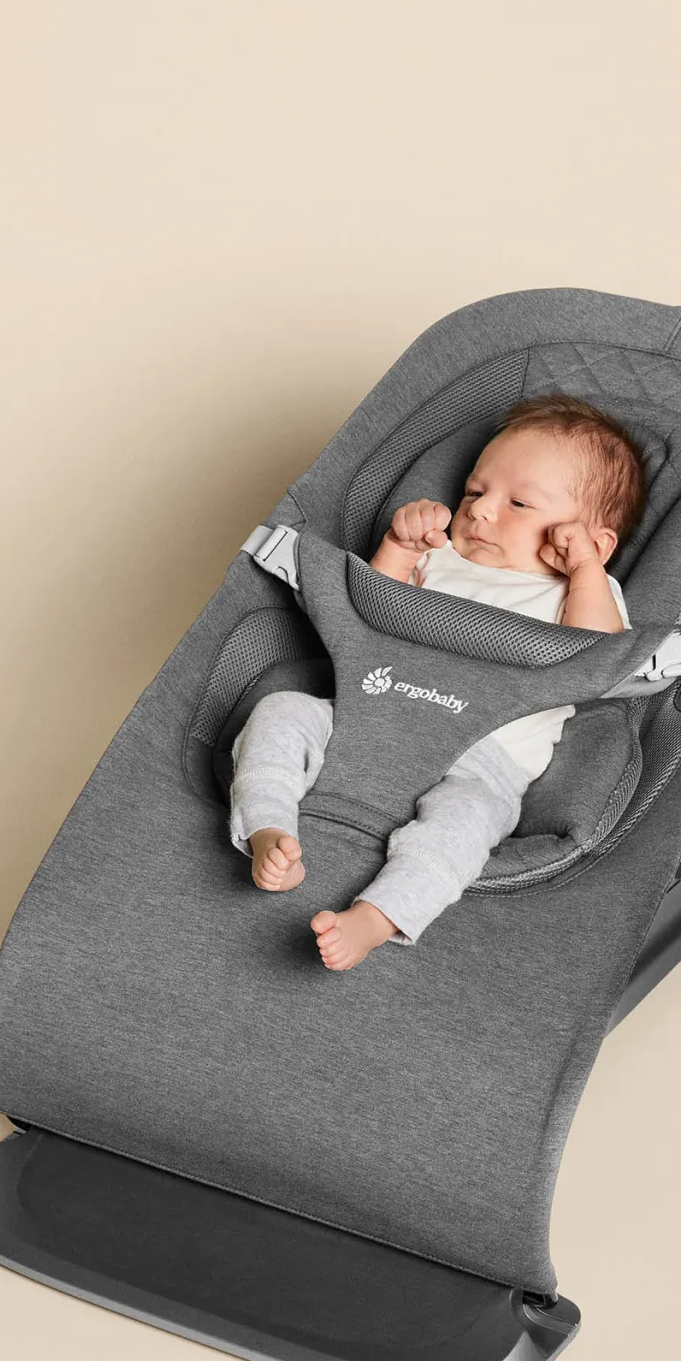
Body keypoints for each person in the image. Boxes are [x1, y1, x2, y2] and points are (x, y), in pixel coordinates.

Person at [228, 393, 646, 970]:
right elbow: (370, 614)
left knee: (467, 822)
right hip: (373, 714)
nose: (480, 511)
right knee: (281, 710)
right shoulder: (440, 558)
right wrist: (400, 550)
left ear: (595, 542)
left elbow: (598, 658)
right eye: (474, 492)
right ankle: (267, 826)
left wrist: (585, 571)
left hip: (481, 759)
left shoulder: (582, 593)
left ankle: (379, 915)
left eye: (518, 502)